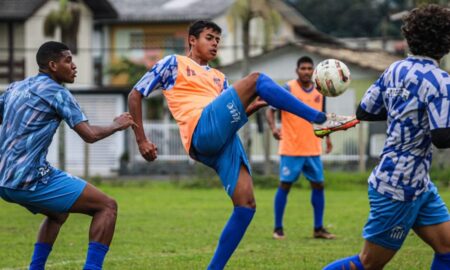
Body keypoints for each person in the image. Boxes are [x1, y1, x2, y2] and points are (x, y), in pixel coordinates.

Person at [128, 20, 358, 269]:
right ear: (192, 40)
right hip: (200, 129)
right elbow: (135, 94)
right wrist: (141, 140)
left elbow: (230, 120)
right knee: (257, 79)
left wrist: (249, 110)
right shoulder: (174, 63)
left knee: (246, 206)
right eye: (209, 37)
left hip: (220, 140)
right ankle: (320, 119)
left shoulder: (219, 78)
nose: (215, 42)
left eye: (218, 39)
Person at [323, 4, 450, 270]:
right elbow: (441, 137)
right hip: (398, 187)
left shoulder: (395, 70)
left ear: (410, 36)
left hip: (417, 183)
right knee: (368, 264)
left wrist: (405, 115)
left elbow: (364, 111)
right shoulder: (441, 81)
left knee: (447, 248)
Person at [0, 41, 136, 270]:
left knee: (58, 214)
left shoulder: (16, 87)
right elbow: (90, 135)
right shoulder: (58, 93)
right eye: (68, 60)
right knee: (107, 207)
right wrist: (116, 124)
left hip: (3, 178)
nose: (74, 66)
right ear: (53, 65)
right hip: (27, 178)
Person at [266, 56, 335, 240]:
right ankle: (278, 228)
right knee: (285, 185)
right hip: (291, 148)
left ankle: (318, 228)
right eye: (302, 68)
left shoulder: (320, 92)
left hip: (313, 148)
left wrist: (327, 138)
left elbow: (322, 118)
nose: (306, 71)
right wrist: (274, 128)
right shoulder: (288, 89)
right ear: (297, 71)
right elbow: (270, 110)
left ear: (313, 71)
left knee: (318, 185)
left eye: (309, 68)